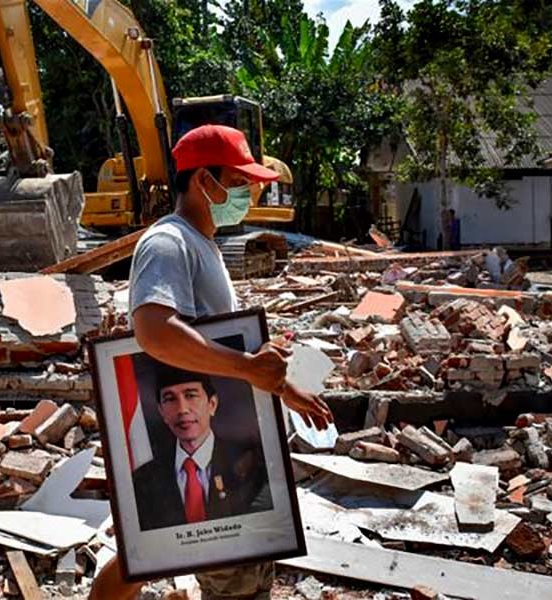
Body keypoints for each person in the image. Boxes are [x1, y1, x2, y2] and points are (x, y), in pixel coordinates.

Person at [89, 124, 333, 600]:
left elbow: (219, 351)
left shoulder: (204, 245)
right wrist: (247, 368)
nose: (249, 191)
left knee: (145, 554)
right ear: (204, 181)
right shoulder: (168, 243)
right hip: (199, 440)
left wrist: (282, 387)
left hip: (221, 442)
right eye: (239, 182)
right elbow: (155, 331)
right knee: (223, 575)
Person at [132, 362, 272, 531]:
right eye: (170, 399)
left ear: (212, 404)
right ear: (162, 412)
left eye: (191, 395)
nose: (182, 409)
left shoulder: (251, 464)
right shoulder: (144, 479)